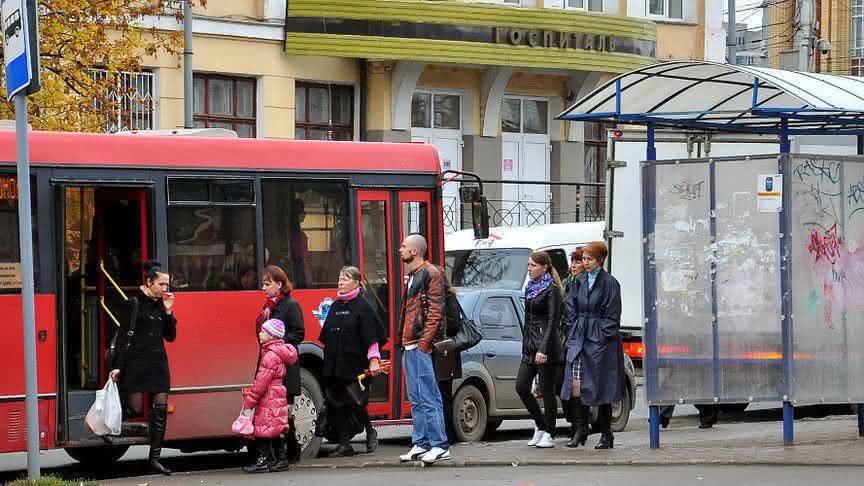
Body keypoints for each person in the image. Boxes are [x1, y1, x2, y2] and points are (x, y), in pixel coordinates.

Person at [108, 260, 177, 475]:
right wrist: (118, 366)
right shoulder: (133, 303)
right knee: (135, 408)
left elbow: (171, 337)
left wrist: (168, 313)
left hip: (158, 364)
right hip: (136, 363)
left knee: (160, 409)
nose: (166, 289)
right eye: (162, 284)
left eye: (168, 285)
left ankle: (154, 457)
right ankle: (113, 431)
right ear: (149, 282)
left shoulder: (162, 305)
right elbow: (122, 338)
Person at [318, 266, 388, 457]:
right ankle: (344, 444)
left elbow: (373, 338)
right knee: (337, 402)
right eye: (339, 278)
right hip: (334, 364)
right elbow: (326, 336)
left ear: (356, 283)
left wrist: (374, 360)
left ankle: (370, 431)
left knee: (356, 401)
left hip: (356, 365)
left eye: (345, 279)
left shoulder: (363, 306)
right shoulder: (335, 306)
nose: (340, 282)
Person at [562, 241, 625, 449]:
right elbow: (570, 306)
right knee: (576, 383)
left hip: (600, 341)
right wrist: (572, 329)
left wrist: (599, 336)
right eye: (584, 259)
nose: (585, 263)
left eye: (590, 259)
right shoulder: (578, 281)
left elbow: (612, 316)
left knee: (602, 386)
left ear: (600, 260)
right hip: (579, 337)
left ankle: (607, 434)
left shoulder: (610, 283)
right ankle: (580, 428)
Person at [396, 234, 450, 464]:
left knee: (428, 395)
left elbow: (436, 311)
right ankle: (421, 443)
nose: (400, 250)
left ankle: (439, 445)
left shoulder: (431, 273)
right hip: (410, 344)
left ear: (415, 251)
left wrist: (425, 342)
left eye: (403, 246)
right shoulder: (413, 275)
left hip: (419, 344)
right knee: (416, 397)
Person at [254, 266, 305, 471]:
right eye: (263, 284)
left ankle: (287, 454)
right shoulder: (268, 307)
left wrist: (277, 341)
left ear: (279, 284)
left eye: (267, 284)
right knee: (270, 413)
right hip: (269, 364)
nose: (264, 288)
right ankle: (276, 456)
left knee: (282, 415)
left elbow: (299, 334)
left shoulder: (291, 305)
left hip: (284, 368)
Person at [516, 251, 564, 449]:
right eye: (528, 265)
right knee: (521, 386)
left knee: (546, 391)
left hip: (546, 348)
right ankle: (540, 425)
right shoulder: (531, 287)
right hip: (529, 347)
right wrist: (527, 344)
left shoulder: (551, 290)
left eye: (533, 265)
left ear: (544, 267)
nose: (529, 268)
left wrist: (543, 348)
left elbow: (553, 322)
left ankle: (550, 433)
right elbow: (529, 321)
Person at [241, 319, 299, 473]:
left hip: (269, 395)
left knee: (264, 428)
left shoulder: (270, 356)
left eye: (263, 332)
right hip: (277, 393)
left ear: (272, 336)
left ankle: (264, 460)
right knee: (275, 427)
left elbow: (261, 382)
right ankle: (280, 459)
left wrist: (250, 400)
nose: (259, 334)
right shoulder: (277, 352)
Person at [435, 265, 463, 443]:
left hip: (445, 353)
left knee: (444, 394)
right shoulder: (433, 299)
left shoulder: (448, 299)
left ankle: (447, 433)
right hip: (437, 352)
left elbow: (454, 325)